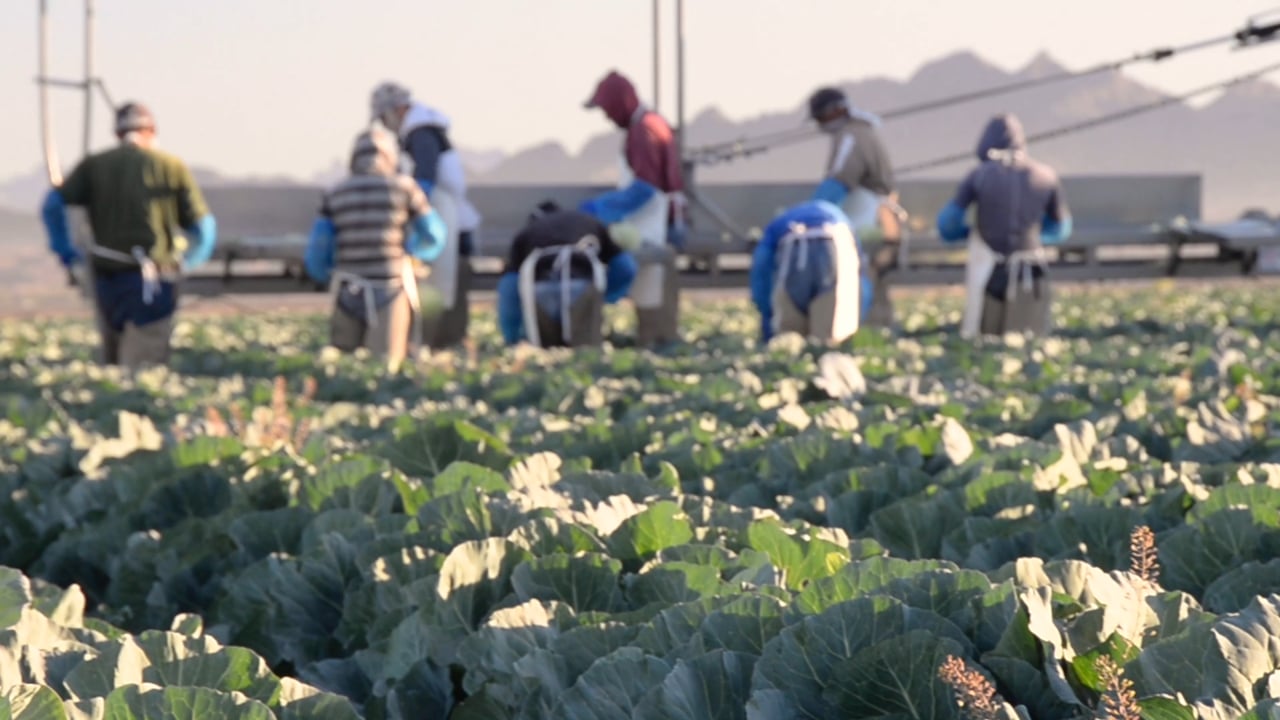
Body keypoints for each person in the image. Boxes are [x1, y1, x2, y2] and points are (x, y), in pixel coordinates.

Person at [40, 102, 217, 370]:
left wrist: (68, 254)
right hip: (155, 281)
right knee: (145, 366)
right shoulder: (170, 166)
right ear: (151, 130)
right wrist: (191, 261)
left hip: (107, 280)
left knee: (112, 361)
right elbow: (204, 226)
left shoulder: (95, 165)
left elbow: (53, 206)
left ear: (118, 133)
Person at [304, 128, 448, 367]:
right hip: (389, 288)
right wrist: (413, 255)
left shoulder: (335, 193)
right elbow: (433, 235)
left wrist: (324, 273)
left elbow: (318, 250)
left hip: (348, 288)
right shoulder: (404, 187)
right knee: (385, 367)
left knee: (343, 366)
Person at [935, 113, 1073, 339]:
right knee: (1029, 338)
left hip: (989, 271)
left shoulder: (978, 176)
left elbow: (947, 225)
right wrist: (1034, 237)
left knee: (985, 340)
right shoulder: (1046, 175)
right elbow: (1061, 229)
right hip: (1032, 270)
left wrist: (969, 233)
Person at [369, 81, 481, 349]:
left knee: (441, 296)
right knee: (440, 294)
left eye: (384, 119)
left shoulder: (422, 134)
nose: (385, 127)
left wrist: (414, 215)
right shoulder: (420, 132)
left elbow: (426, 180)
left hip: (446, 223)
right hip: (447, 221)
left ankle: (440, 348)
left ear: (396, 110)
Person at [581, 70, 686, 348]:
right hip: (651, 231)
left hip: (647, 233)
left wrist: (602, 208)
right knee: (651, 308)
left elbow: (645, 189)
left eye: (607, 108)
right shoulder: (652, 124)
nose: (606, 116)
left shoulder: (643, 131)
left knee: (653, 318)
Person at [807, 86, 901, 328]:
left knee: (858, 282)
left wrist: (810, 216)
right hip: (883, 223)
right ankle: (881, 338)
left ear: (835, 111)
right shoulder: (864, 132)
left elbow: (838, 180)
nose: (820, 124)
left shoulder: (851, 136)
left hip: (866, 221)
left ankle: (860, 333)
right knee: (875, 286)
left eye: (821, 118)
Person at [497, 201, 638, 348]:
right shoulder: (588, 221)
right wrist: (605, 296)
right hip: (582, 288)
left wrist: (511, 338)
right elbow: (626, 267)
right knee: (584, 350)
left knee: (547, 349)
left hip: (541, 290)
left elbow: (509, 287)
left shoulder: (527, 233)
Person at [750, 200, 865, 346]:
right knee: (828, 339)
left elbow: (761, 268)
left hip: (792, 243)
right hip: (834, 243)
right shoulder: (841, 219)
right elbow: (860, 277)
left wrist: (767, 317)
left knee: (789, 337)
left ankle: (788, 356)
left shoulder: (779, 223)